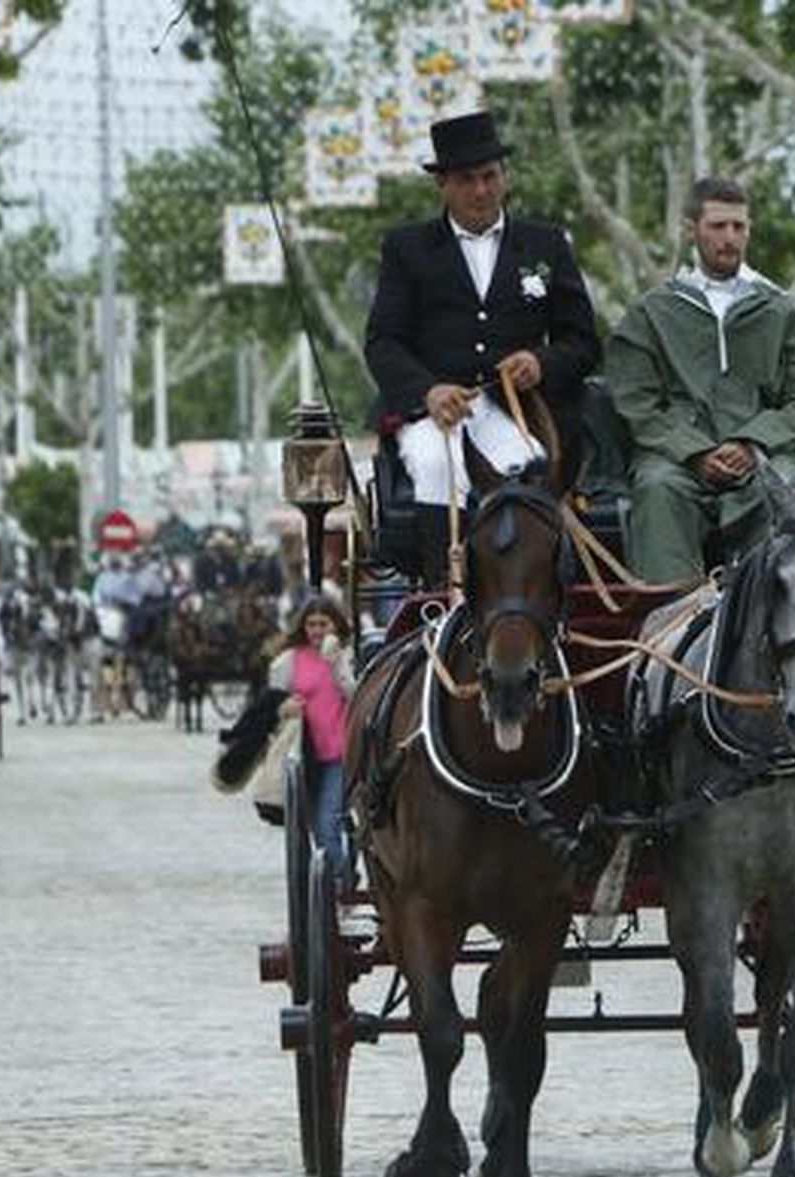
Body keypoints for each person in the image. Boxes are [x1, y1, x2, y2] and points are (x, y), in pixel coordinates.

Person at [364, 109, 601, 584]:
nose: (481, 191)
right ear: (443, 185)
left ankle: (523, 596)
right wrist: (428, 391)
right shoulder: (407, 248)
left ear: (504, 177)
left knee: (526, 469)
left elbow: (583, 342)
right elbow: (383, 342)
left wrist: (541, 362)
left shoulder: (546, 245)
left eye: (490, 177)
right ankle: (443, 589)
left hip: (517, 412)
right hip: (437, 414)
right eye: (467, 180)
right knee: (436, 463)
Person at [607, 176, 795, 583]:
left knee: (785, 488)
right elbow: (635, 400)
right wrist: (694, 452)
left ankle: (775, 613)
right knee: (656, 487)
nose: (730, 238)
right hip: (676, 460)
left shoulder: (781, 311)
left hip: (764, 457)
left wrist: (752, 442)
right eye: (717, 226)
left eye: (738, 226)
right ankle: (672, 616)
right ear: (691, 229)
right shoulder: (652, 312)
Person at [265, 596, 355, 867]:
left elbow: (357, 696)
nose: (317, 631)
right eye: (311, 624)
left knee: (327, 823)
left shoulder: (349, 656)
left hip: (340, 753)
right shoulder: (288, 661)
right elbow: (270, 706)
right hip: (304, 755)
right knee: (316, 824)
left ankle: (341, 878)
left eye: (323, 624)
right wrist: (283, 707)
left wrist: (337, 663)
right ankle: (337, 874)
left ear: (335, 626)